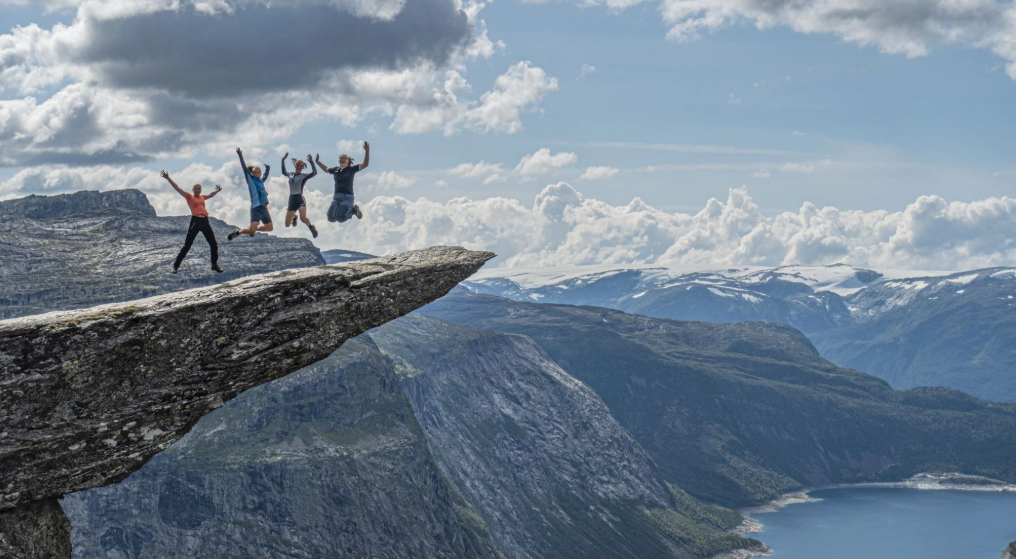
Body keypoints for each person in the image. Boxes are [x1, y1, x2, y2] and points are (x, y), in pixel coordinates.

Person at [160, 170, 225, 274]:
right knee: (187, 245)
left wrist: (217, 191)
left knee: (213, 244)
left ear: (200, 190)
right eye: (196, 189)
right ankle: (176, 266)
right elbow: (177, 188)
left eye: (199, 189)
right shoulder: (189, 197)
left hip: (205, 221)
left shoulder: (202, 197)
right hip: (195, 221)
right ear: (193, 189)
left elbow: (210, 195)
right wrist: (168, 178)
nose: (197, 190)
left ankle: (214, 264)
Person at [316, 141, 369, 224]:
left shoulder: (351, 169)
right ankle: (349, 210)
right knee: (331, 218)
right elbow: (326, 169)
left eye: (345, 158)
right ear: (338, 160)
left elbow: (365, 164)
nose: (343, 159)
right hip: (336, 197)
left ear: (348, 161)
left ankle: (353, 210)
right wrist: (318, 162)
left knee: (340, 218)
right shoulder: (335, 170)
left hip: (347, 197)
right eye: (341, 158)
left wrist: (367, 151)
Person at [228, 147, 272, 240]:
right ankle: (238, 232)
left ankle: (252, 229)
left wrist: (268, 168)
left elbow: (265, 176)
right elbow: (244, 167)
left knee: (269, 228)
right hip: (256, 208)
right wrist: (240, 155)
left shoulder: (260, 181)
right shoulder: (251, 181)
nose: (256, 174)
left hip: (264, 209)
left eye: (258, 173)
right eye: (254, 173)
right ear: (251, 174)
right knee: (251, 231)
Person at [281, 152, 319, 238]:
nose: (299, 167)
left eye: (300, 166)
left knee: (303, 218)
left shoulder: (303, 176)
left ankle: (311, 227)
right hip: (292, 199)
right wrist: (283, 160)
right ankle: (294, 218)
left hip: (299, 198)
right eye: (297, 165)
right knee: (287, 224)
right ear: (295, 165)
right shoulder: (290, 174)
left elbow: (314, 173)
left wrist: (311, 162)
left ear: (302, 167)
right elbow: (283, 172)